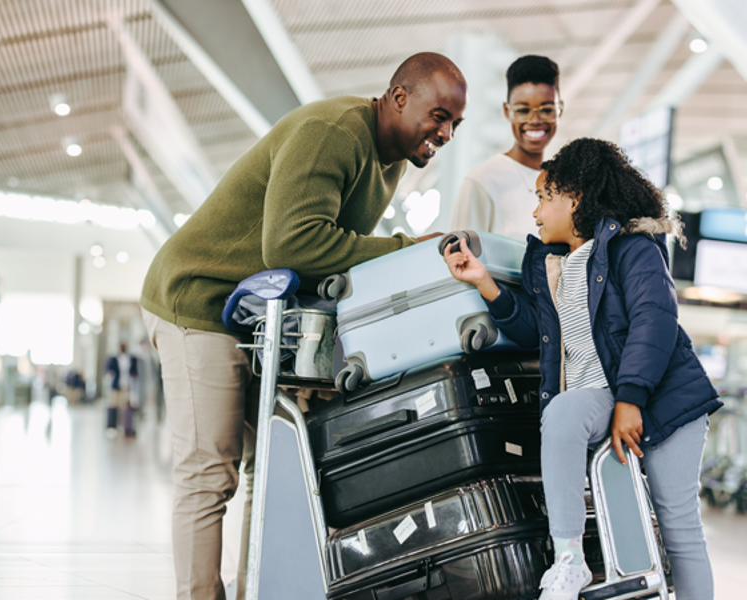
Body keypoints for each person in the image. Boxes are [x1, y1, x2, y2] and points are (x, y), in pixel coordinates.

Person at [140, 53, 467, 600]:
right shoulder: (333, 131)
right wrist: (409, 249)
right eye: (438, 115)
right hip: (199, 299)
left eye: (455, 123)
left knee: (269, 468)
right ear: (399, 97)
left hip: (256, 316)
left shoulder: (388, 161)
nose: (446, 132)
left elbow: (327, 258)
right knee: (209, 470)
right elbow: (293, 244)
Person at [444, 137, 721, 600]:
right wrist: (484, 283)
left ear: (574, 197)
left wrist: (632, 398)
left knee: (677, 525)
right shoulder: (552, 264)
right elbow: (537, 331)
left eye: (543, 198)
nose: (535, 213)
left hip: (667, 400)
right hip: (603, 395)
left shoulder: (634, 248)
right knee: (565, 412)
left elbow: (655, 321)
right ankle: (568, 561)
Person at [450, 55, 561, 241]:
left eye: (546, 109)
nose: (534, 121)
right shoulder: (482, 181)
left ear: (560, 110)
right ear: (507, 111)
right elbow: (459, 260)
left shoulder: (563, 183)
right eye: (523, 110)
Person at [104, 342, 138, 437]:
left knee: (127, 407)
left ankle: (127, 428)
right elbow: (108, 370)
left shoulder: (131, 359)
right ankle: (111, 427)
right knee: (113, 405)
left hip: (127, 386)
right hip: (116, 386)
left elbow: (135, 372)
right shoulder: (113, 359)